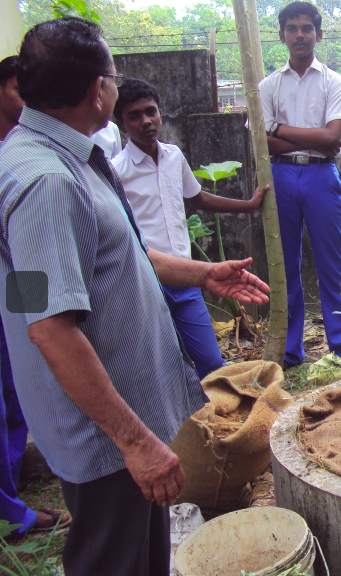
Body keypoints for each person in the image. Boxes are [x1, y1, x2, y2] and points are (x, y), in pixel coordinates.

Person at [0, 18, 270, 576]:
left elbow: (59, 280)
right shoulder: (47, 182)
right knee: (113, 562)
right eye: (115, 78)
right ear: (99, 89)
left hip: (114, 426)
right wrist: (136, 442)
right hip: (106, 438)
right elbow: (48, 326)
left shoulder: (51, 157)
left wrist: (202, 274)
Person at [112, 78, 267, 379]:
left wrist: (248, 205)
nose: (146, 121)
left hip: (187, 279)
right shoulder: (117, 171)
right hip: (146, 283)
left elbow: (197, 198)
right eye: (134, 116)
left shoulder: (173, 157)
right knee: (164, 367)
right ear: (120, 124)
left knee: (210, 362)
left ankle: (218, 419)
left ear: (160, 114)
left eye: (151, 112)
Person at [260, 1, 341, 366]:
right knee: (283, 264)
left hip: (321, 175)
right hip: (281, 175)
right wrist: (315, 138)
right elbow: (264, 143)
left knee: (331, 262)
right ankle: (289, 350)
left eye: (306, 28)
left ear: (318, 34)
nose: (300, 34)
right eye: (292, 28)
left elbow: (332, 139)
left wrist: (279, 128)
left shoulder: (333, 82)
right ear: (282, 35)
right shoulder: (268, 86)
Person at [0, 55, 71, 536]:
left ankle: (15, 477)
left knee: (16, 377)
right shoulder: (29, 164)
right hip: (14, 279)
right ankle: (10, 512)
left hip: (13, 284)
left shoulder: (22, 148)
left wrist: (31, 312)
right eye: (17, 89)